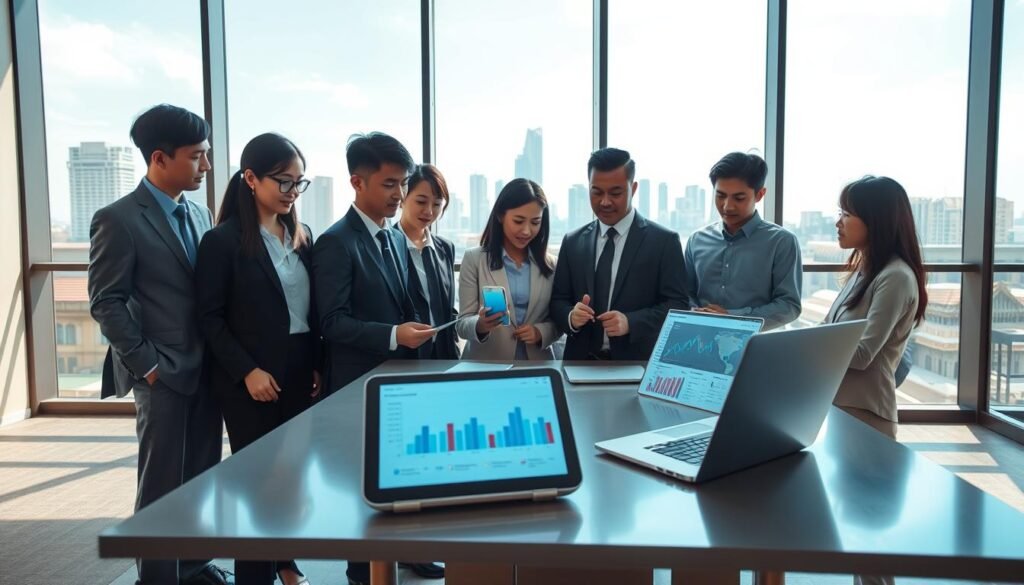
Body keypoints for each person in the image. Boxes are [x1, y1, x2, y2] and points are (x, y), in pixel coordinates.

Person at [88, 104, 231, 585]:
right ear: (159, 158)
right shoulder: (118, 219)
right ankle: (158, 578)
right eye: (197, 156)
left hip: (206, 369)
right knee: (160, 484)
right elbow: (106, 302)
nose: (206, 166)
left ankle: (193, 565)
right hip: (163, 374)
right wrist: (147, 366)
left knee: (201, 476)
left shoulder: (200, 212)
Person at [195, 133, 320, 585]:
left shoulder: (303, 239)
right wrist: (246, 371)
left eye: (298, 184)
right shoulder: (223, 242)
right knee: (259, 481)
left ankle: (286, 563)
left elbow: (312, 312)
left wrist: (317, 365)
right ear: (250, 178)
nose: (291, 193)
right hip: (251, 376)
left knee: (292, 476)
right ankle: (254, 576)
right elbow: (209, 319)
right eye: (283, 182)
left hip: (301, 365)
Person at [312, 132, 434, 585]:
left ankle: (402, 558)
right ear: (357, 182)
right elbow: (332, 322)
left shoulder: (396, 239)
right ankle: (361, 575)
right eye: (389, 184)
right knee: (361, 493)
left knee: (401, 484)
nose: (399, 194)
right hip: (357, 387)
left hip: (399, 384)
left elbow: (403, 304)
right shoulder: (336, 243)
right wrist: (392, 335)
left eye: (402, 183)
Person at [550, 147, 687, 360]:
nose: (605, 201)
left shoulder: (664, 242)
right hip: (578, 365)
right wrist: (570, 317)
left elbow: (678, 306)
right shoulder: (573, 241)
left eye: (615, 193)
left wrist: (631, 322)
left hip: (637, 365)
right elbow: (558, 300)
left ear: (633, 188)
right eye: (596, 192)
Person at [825, 176, 928, 441]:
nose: (838, 222)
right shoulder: (863, 272)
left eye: (847, 214)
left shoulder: (896, 277)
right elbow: (824, 330)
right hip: (835, 404)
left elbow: (862, 355)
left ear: (876, 220)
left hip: (864, 413)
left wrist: (806, 346)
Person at [684, 152, 802, 330]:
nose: (727, 206)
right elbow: (685, 293)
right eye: (720, 195)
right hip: (701, 341)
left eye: (739, 198)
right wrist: (696, 312)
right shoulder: (697, 240)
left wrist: (732, 317)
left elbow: (789, 306)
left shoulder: (782, 242)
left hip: (759, 347)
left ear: (760, 195)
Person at [457, 179, 561, 360]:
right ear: (500, 216)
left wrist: (540, 332)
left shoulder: (552, 265)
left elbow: (559, 322)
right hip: (487, 366)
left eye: (535, 222)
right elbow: (462, 323)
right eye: (518, 221)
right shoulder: (474, 259)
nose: (527, 231)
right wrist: (481, 325)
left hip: (537, 366)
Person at [394, 164, 460, 360]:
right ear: (403, 198)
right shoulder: (385, 245)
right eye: (421, 201)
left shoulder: (445, 248)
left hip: (443, 358)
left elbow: (449, 311)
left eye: (437, 204)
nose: (429, 211)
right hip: (402, 359)